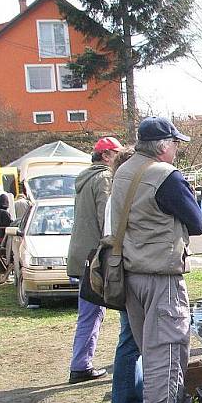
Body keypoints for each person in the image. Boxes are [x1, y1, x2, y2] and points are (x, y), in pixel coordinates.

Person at [110, 116, 202, 403]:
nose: (177, 149)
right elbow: (196, 222)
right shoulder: (164, 175)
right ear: (163, 146)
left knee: (155, 354)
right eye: (176, 143)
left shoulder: (123, 171)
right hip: (160, 276)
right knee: (164, 356)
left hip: (132, 274)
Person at [66, 137, 122, 384]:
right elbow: (106, 220)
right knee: (91, 313)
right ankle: (80, 365)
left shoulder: (85, 178)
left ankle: (81, 363)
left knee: (89, 312)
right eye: (117, 154)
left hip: (81, 255)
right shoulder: (103, 179)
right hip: (94, 258)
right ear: (107, 155)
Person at [106, 146, 144, 403]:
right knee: (130, 341)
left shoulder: (115, 196)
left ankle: (130, 401)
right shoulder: (121, 196)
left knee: (130, 340)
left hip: (124, 270)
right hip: (128, 272)